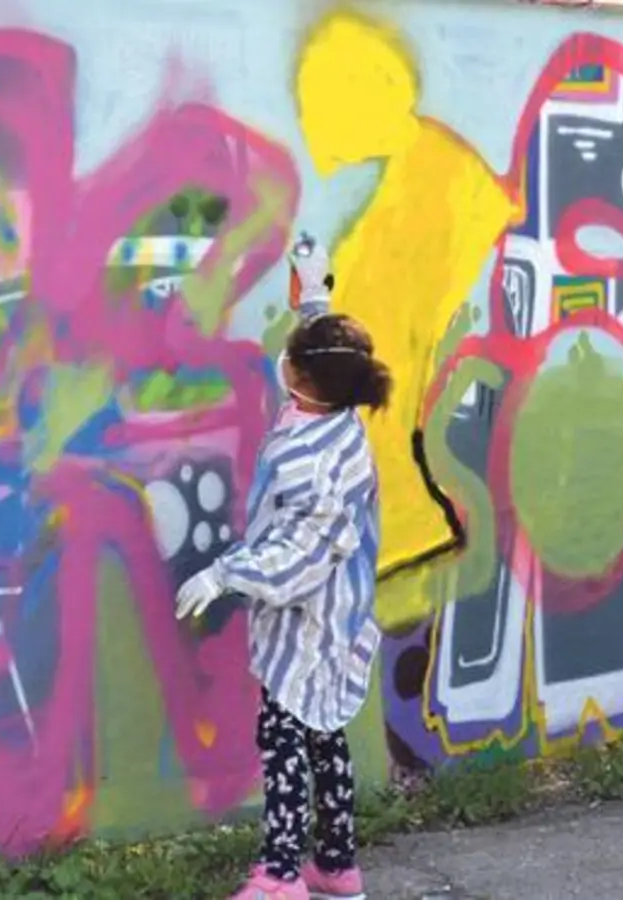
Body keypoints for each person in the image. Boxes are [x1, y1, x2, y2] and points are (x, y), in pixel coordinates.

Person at [175, 313, 390, 900]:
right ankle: (338, 864)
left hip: (309, 624)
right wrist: (313, 296)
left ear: (298, 373)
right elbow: (328, 356)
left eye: (291, 353)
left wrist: (224, 574)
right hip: (336, 613)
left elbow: (296, 559)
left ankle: (281, 875)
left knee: (284, 740)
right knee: (325, 734)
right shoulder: (335, 416)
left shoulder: (312, 461)